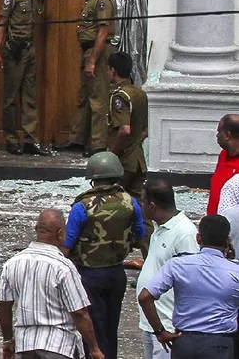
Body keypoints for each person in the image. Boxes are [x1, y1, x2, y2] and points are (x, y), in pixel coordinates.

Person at [64, 151, 146, 359]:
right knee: (110, 327)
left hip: (89, 275)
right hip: (116, 272)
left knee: (92, 330)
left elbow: (67, 243)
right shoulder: (130, 202)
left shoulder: (82, 206)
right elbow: (140, 235)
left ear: (93, 179)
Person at [0, 209, 105, 359]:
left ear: (37, 230)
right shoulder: (63, 267)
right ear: (61, 233)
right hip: (58, 345)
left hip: (25, 346)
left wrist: (8, 341)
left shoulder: (12, 263)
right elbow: (79, 312)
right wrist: (94, 348)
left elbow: (4, 306)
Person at [0, 0, 69, 155]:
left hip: (29, 50)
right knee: (11, 98)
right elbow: (2, 22)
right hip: (14, 51)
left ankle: (29, 139)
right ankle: (11, 139)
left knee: (30, 96)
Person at [139, 214, 239, 359]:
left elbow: (145, 297)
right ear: (227, 240)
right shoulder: (235, 271)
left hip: (184, 342)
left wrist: (160, 331)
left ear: (198, 238)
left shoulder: (178, 264)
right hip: (220, 344)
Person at [132, 179, 198, 359]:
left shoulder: (184, 234)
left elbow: (190, 281)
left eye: (143, 202)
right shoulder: (160, 229)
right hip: (152, 322)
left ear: (152, 206)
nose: (141, 206)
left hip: (168, 327)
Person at [69, 0, 116, 156]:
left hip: (98, 53)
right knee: (84, 97)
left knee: (98, 99)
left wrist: (92, 61)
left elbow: (103, 33)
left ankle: (98, 144)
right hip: (88, 51)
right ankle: (77, 140)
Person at [106, 51, 148, 198]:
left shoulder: (120, 96)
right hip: (139, 161)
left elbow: (124, 130)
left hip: (123, 162)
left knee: (112, 202)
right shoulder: (140, 93)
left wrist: (111, 155)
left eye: (108, 69)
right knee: (138, 206)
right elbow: (144, 132)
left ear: (113, 71)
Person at [206, 113, 239, 215]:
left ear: (227, 135)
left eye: (219, 131)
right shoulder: (223, 155)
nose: (217, 135)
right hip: (213, 222)